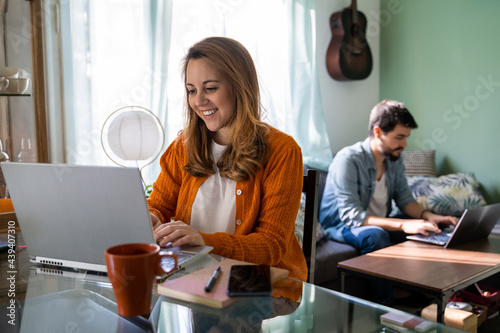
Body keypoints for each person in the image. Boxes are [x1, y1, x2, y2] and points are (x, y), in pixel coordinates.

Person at [147, 37, 307, 282]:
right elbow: (158, 205)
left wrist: (205, 241)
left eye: (210, 88)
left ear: (239, 86)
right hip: (195, 275)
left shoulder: (283, 151)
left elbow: (271, 246)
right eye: (192, 90)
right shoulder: (182, 148)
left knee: (208, 317)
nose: (198, 101)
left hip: (259, 280)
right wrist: (151, 217)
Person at [319, 99, 458, 304]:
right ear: (377, 132)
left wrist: (429, 216)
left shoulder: (393, 159)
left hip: (378, 220)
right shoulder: (347, 160)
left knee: (430, 229)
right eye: (399, 137)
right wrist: (404, 224)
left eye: (406, 137)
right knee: (376, 236)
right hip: (342, 225)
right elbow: (352, 215)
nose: (404, 144)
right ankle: (385, 305)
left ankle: (428, 293)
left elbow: (404, 199)